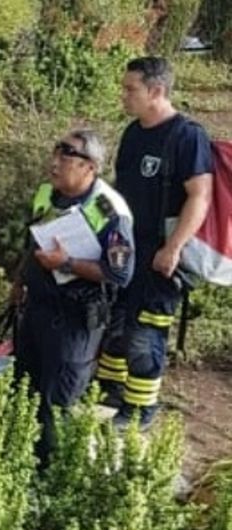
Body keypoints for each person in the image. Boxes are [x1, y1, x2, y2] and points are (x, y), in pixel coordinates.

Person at [97, 56, 214, 427]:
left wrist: (173, 247)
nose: (123, 95)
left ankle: (140, 410)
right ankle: (110, 389)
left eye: (130, 89)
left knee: (145, 331)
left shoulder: (186, 136)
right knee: (117, 320)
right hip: (126, 248)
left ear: (156, 91)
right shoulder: (133, 133)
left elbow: (200, 196)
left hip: (159, 253)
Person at [14, 129, 135, 460]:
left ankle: (49, 474)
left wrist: (67, 264)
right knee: (23, 393)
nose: (55, 162)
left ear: (90, 167)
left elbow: (120, 273)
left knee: (56, 405)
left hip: (74, 320)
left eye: (67, 155)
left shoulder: (109, 211)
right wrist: (19, 281)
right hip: (36, 310)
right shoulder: (47, 192)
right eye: (56, 151)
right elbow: (32, 241)